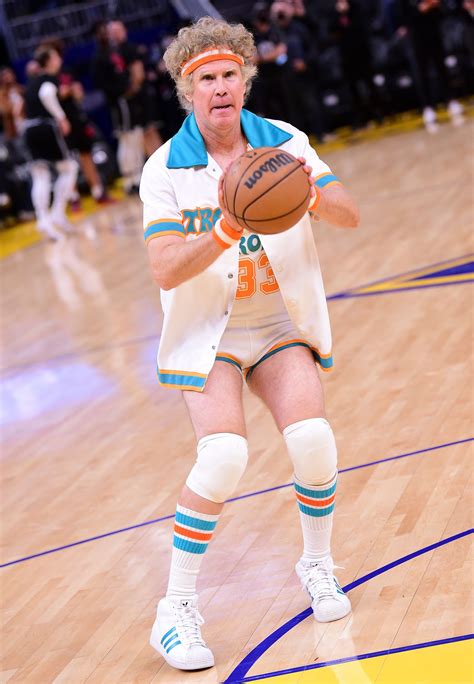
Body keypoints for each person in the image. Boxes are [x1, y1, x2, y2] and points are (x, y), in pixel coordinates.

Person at [140, 16, 359, 672]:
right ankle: (174, 609)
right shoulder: (166, 169)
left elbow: (349, 212)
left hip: (277, 323)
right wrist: (227, 227)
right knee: (224, 455)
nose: (220, 87)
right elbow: (165, 269)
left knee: (313, 441)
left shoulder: (285, 143)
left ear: (246, 79)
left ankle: (317, 566)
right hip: (209, 331)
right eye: (206, 78)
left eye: (230, 74)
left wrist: (306, 194)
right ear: (187, 90)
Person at [23, 45, 78, 239]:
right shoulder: (47, 79)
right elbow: (46, 94)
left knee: (40, 175)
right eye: (55, 56)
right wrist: (61, 117)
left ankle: (43, 219)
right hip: (46, 128)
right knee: (69, 168)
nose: (59, 59)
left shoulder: (31, 81)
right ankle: (56, 213)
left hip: (29, 128)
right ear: (49, 60)